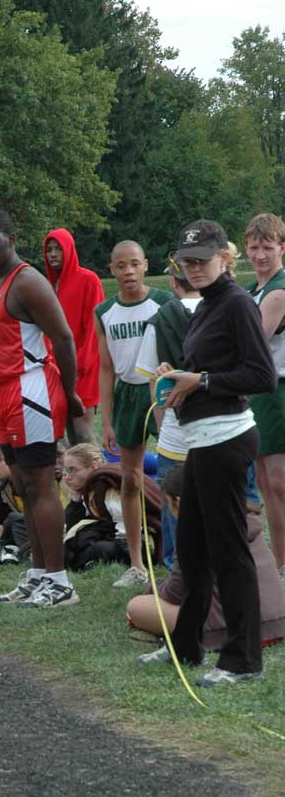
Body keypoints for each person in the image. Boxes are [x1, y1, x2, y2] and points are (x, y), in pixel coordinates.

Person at [144, 219, 276, 687]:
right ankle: (186, 645)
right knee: (194, 551)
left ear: (226, 257)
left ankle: (242, 661)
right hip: (202, 440)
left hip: (226, 439)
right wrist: (176, 375)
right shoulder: (206, 305)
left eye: (203, 259)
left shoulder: (237, 303)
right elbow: (207, 368)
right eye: (188, 261)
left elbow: (261, 375)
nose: (194, 267)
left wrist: (197, 381)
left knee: (228, 553)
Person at [0, 209, 82, 608]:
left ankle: (60, 580)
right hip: (3, 394)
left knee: (40, 485)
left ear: (11, 237)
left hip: (30, 390)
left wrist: (69, 394)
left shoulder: (29, 281)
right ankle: (38, 572)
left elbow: (64, 338)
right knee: (22, 485)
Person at [129, 464, 285, 651]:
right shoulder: (245, 516)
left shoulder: (194, 531)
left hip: (235, 629)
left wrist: (154, 588)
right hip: (277, 621)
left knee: (136, 607)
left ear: (178, 501)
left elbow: (175, 593)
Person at [95, 241, 171, 588]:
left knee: (175, 476)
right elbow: (107, 368)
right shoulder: (105, 311)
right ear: (112, 269)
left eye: (134, 265)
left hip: (159, 388)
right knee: (130, 478)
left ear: (145, 265)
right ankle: (137, 563)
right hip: (127, 391)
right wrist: (107, 420)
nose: (128, 272)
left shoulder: (163, 302)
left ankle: (175, 555)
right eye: (121, 266)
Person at [135, 254, 202, 568]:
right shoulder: (225, 310)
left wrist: (162, 430)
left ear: (174, 283)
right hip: (222, 430)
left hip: (176, 435)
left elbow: (154, 386)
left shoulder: (160, 321)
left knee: (175, 505)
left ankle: (178, 573)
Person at [244, 213, 285, 575]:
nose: (260, 255)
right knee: (263, 481)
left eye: (267, 248)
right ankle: (276, 562)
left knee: (278, 480)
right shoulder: (252, 290)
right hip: (257, 391)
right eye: (254, 247)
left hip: (277, 389)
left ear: (281, 248)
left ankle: (281, 563)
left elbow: (253, 342)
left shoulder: (278, 290)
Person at [43, 229, 105, 443]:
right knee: (66, 432)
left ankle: (99, 476)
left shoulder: (88, 280)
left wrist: (79, 366)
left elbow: (94, 330)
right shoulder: (49, 286)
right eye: (49, 250)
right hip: (58, 369)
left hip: (82, 369)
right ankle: (78, 476)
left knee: (83, 432)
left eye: (58, 249)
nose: (53, 254)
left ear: (69, 249)